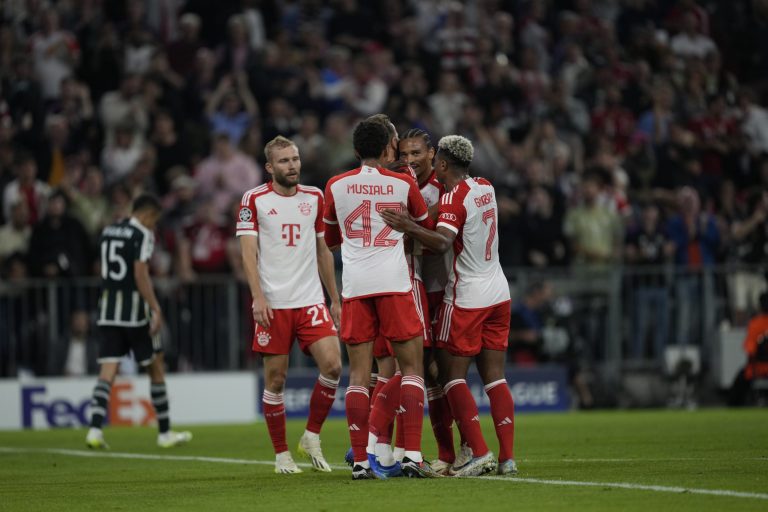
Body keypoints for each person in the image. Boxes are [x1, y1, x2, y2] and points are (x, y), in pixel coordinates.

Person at [381, 135, 517, 477]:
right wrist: (421, 217)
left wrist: (407, 225)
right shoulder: (484, 186)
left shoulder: (454, 196)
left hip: (466, 296)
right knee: (494, 378)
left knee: (447, 375)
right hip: (498, 291)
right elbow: (438, 214)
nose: (412, 159)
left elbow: (442, 241)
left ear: (439, 162)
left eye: (421, 154)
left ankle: (477, 451)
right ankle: (506, 458)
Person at [323, 118, 437, 479]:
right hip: (394, 284)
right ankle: (413, 455)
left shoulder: (335, 185)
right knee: (412, 369)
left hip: (356, 286)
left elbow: (329, 240)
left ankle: (360, 462)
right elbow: (422, 225)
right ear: (390, 145)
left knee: (359, 374)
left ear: (356, 150)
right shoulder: (403, 183)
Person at [237, 136, 342, 474]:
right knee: (277, 380)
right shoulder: (254, 199)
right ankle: (282, 454)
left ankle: (311, 435)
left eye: (295, 159)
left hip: (310, 299)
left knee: (334, 367)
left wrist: (335, 298)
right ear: (270, 167)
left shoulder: (315, 197)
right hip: (274, 303)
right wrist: (258, 296)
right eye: (284, 161)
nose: (292, 165)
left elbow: (324, 249)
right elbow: (248, 252)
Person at [85, 194, 192, 449]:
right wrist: (155, 307)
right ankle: (165, 433)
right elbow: (140, 275)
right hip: (134, 313)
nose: (154, 226)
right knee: (155, 367)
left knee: (107, 371)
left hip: (108, 310)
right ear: (148, 214)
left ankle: (94, 430)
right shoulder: (142, 234)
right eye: (154, 220)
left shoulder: (109, 230)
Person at [728, 292, 768, 406]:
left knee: (739, 381)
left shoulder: (755, 324)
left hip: (759, 369)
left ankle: (734, 408)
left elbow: (750, 350)